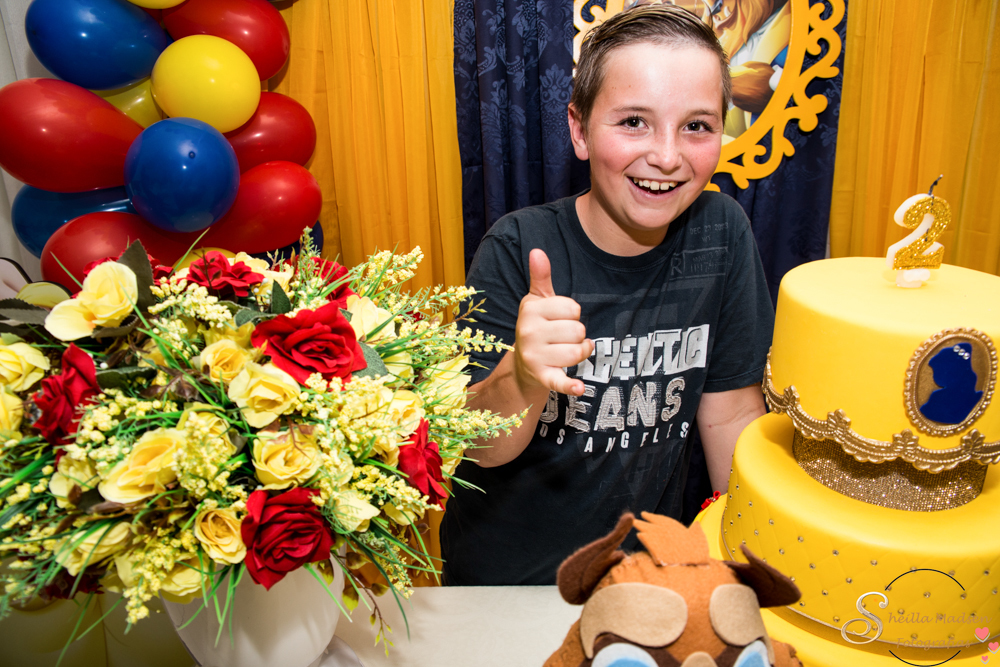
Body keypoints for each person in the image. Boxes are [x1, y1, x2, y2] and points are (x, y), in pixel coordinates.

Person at [440, 4, 775, 586]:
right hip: (509, 586)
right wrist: (522, 375)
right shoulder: (518, 245)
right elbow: (476, 448)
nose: (666, 156)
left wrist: (747, 564)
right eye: (634, 122)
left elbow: (732, 416)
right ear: (580, 130)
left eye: (696, 126)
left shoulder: (722, 233)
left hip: (648, 577)